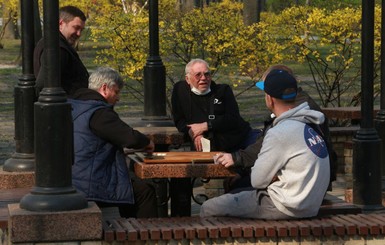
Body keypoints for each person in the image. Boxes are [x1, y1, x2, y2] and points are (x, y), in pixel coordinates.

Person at [200, 69, 330, 219]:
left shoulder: (280, 131)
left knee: (208, 208)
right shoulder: (309, 124)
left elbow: (257, 180)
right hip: (309, 206)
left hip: (284, 205)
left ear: (269, 99)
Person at [216, 65, 337, 193]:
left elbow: (265, 148)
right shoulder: (299, 105)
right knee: (238, 184)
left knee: (231, 194)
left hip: (302, 188)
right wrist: (243, 170)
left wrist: (236, 159)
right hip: (309, 183)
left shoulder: (296, 111)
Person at [69, 67, 157, 218]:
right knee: (144, 190)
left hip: (76, 177)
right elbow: (130, 137)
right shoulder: (98, 112)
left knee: (131, 187)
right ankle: (144, 237)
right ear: (104, 88)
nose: (118, 98)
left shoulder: (77, 105)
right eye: (116, 92)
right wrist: (148, 142)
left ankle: (129, 232)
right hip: (89, 183)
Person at [171, 58, 259, 153]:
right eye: (198, 75)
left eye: (207, 74)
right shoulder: (180, 91)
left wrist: (206, 126)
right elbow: (179, 120)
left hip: (239, 140)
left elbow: (233, 118)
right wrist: (193, 133)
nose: (203, 78)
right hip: (210, 145)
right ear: (187, 79)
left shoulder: (222, 91)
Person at [34, 5, 89, 97]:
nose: (79, 34)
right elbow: (43, 85)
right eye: (76, 27)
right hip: (64, 107)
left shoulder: (54, 44)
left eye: (81, 30)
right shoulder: (57, 49)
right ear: (61, 24)